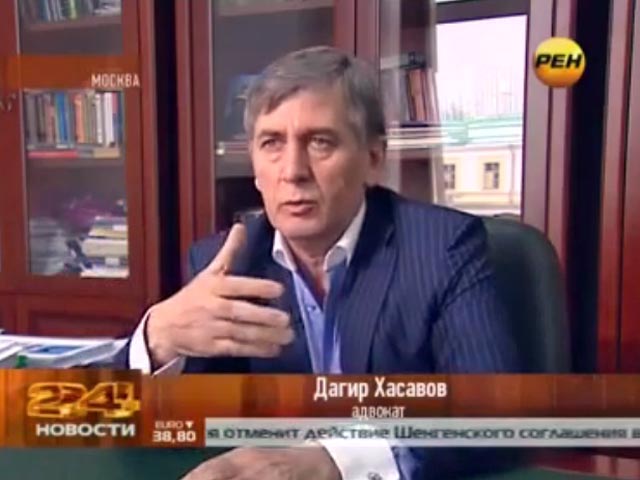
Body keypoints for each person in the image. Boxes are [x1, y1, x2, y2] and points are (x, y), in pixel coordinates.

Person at [120, 45, 520, 479]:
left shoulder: (442, 247)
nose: (293, 170)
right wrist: (156, 339)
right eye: (272, 143)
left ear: (373, 160)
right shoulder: (226, 263)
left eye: (320, 142)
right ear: (254, 165)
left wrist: (333, 461)